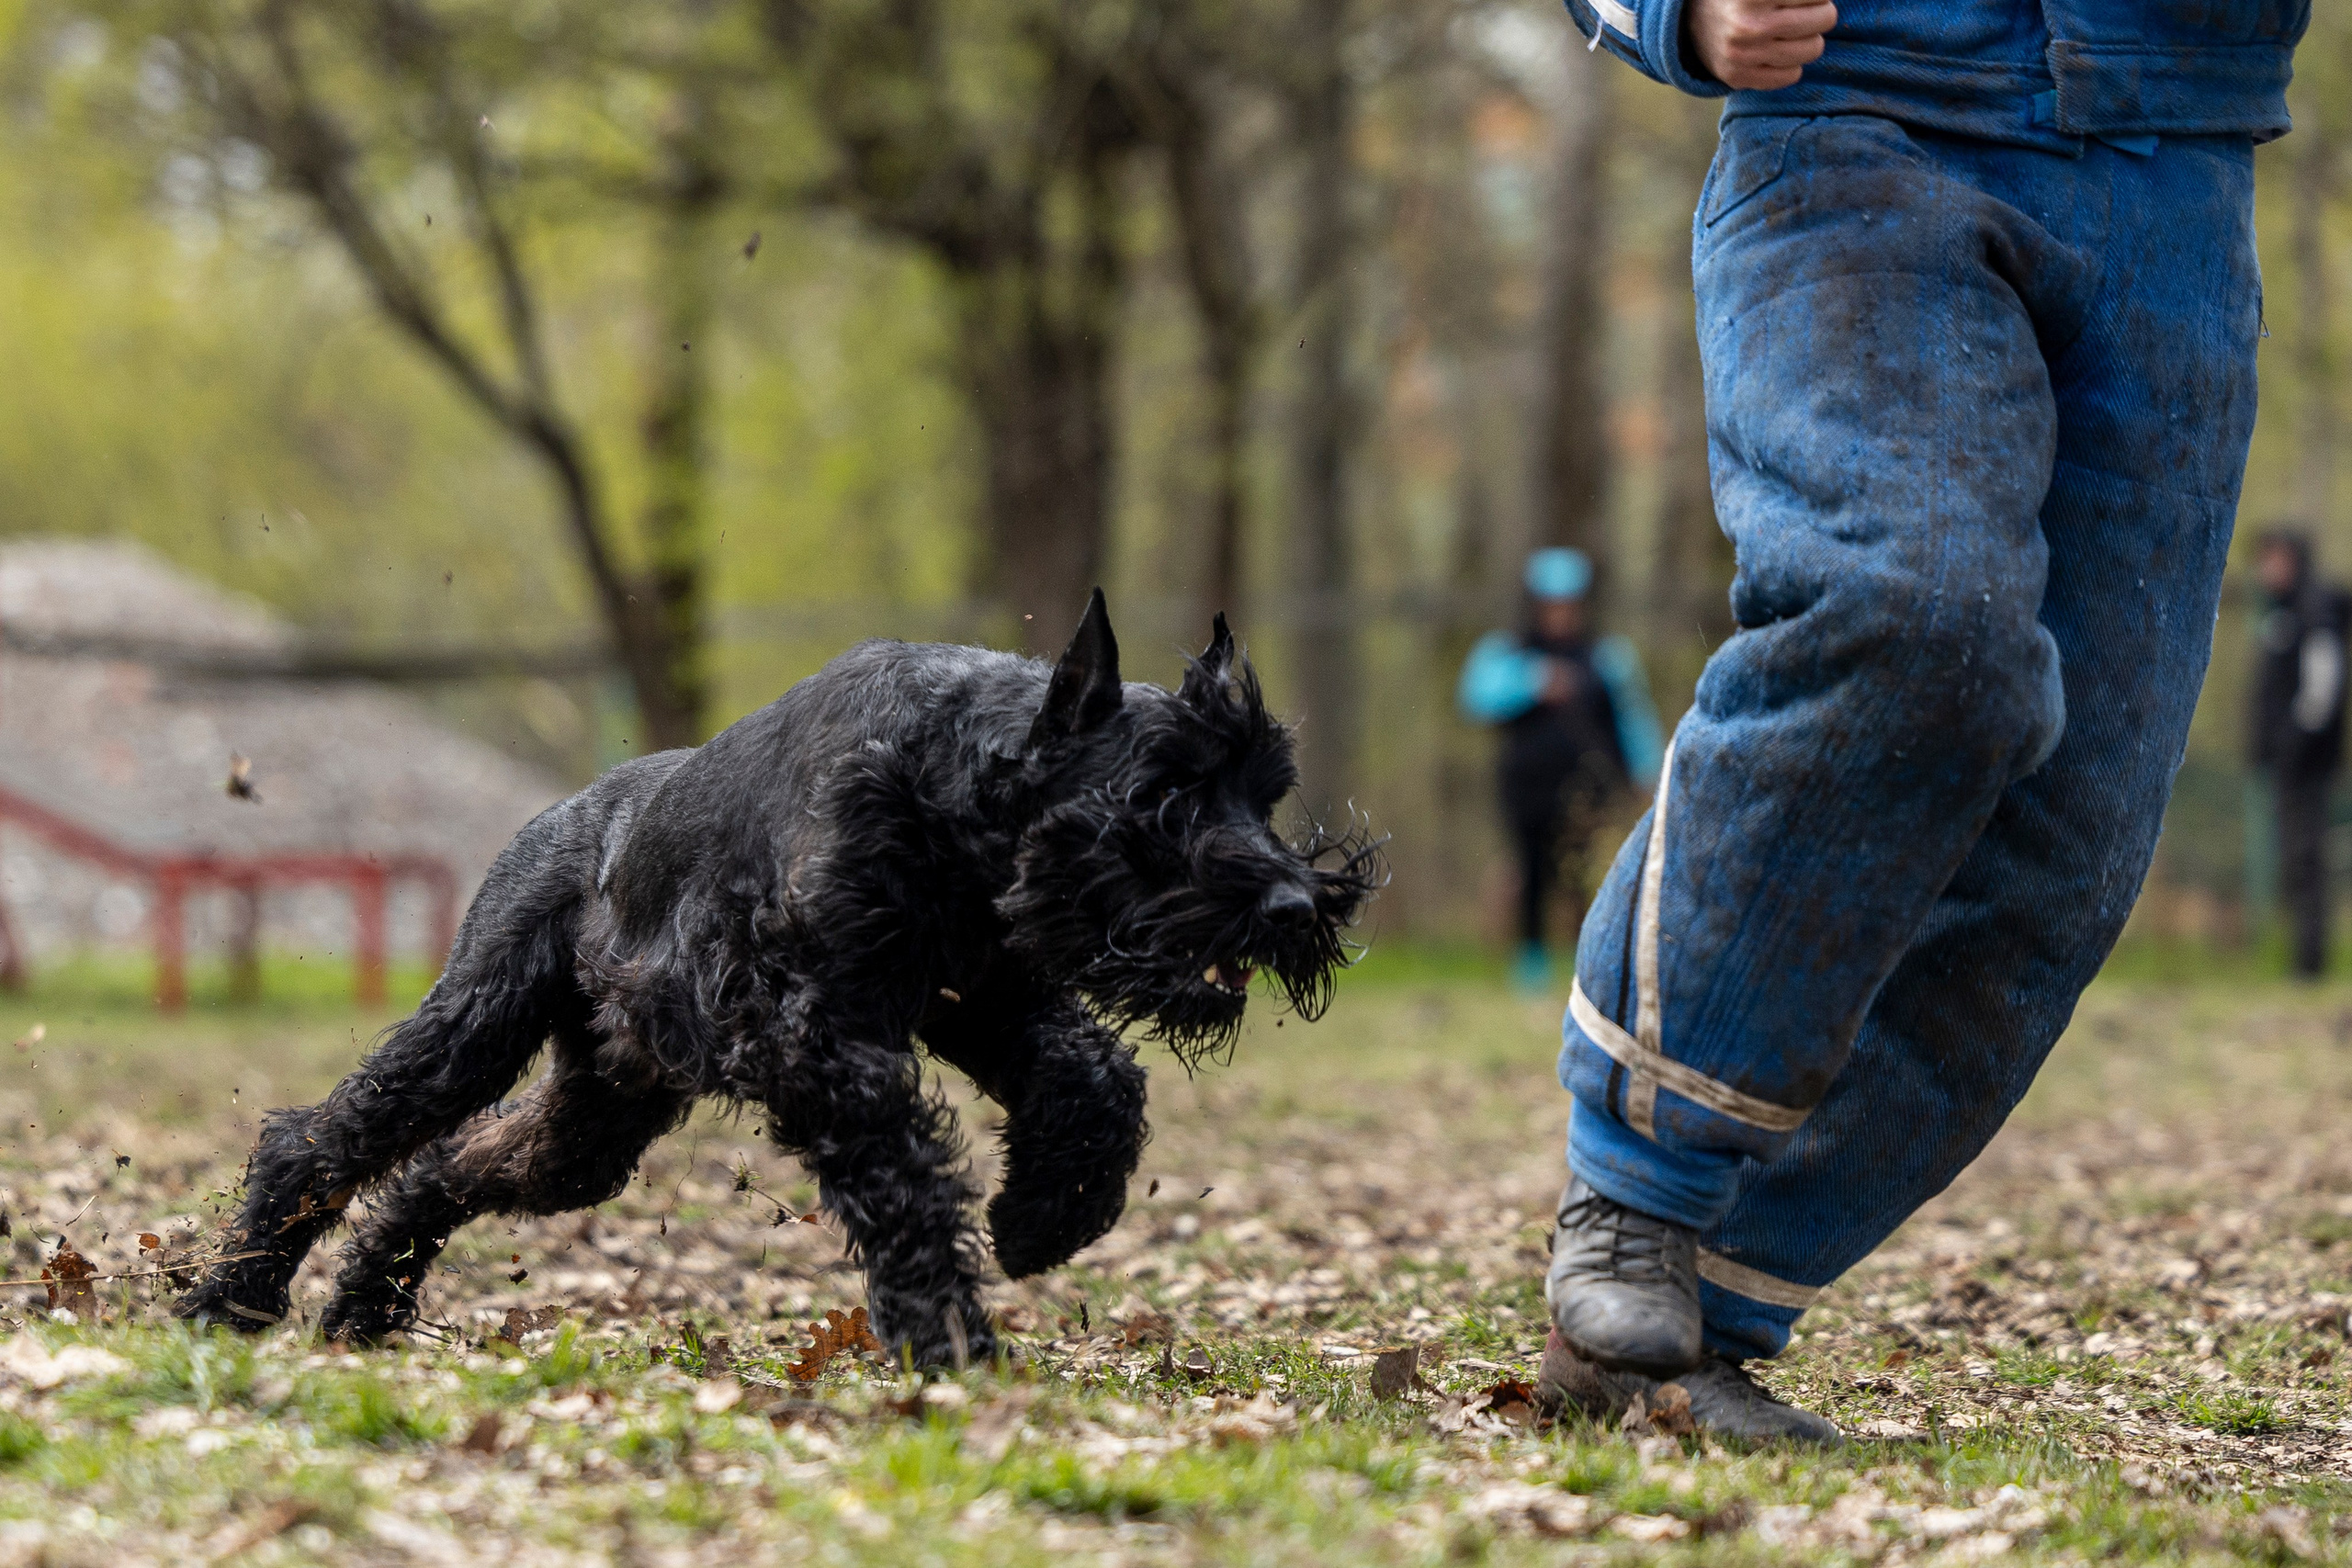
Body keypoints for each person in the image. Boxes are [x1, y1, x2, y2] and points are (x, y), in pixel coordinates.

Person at [1537, 0, 2306, 1443]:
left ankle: (1696, 1309)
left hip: (2180, 178)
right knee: (1915, 607)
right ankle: (1640, 1177)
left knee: (2071, 829)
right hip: (1862, 125)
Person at [1459, 549, 1663, 992]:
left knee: (1585, 878)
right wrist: (1534, 682)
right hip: (1527, 790)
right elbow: (1476, 697)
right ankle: (1530, 969)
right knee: (1532, 872)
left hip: (1587, 792)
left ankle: (1589, 967)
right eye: (1551, 603)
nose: (1560, 613)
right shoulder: (1508, 652)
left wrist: (1647, 774)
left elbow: (1633, 718)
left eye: (1569, 603)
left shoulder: (1607, 657)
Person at [2251, 530, 2348, 979]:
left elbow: (2322, 685)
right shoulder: (2283, 610)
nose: (2266, 568)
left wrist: (2294, 740)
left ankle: (2310, 964)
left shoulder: (2313, 609)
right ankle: (2303, 960)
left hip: (2307, 764)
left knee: (2307, 858)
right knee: (2296, 858)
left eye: (2274, 557)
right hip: (2290, 761)